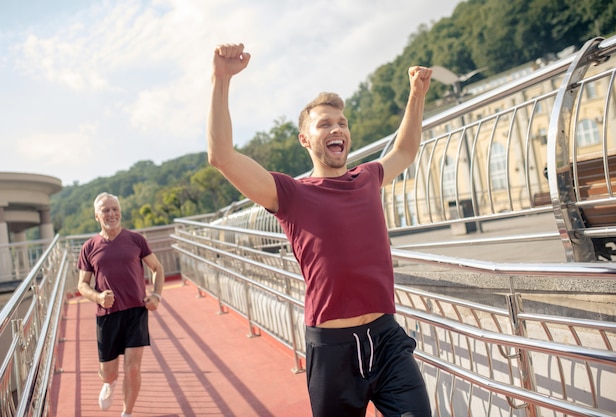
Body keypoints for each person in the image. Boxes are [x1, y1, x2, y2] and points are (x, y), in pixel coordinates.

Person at [208, 43, 433, 417]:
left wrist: (416, 95)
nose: (336, 128)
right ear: (306, 140)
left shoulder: (368, 177)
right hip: (332, 350)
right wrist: (221, 79)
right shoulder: (290, 194)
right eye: (325, 124)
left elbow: (406, 151)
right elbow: (221, 155)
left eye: (342, 123)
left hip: (387, 339)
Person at [77, 192, 164, 417]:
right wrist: (97, 297)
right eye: (105, 210)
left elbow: (157, 268)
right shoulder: (89, 247)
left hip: (136, 312)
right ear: (97, 216)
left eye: (114, 209)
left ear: (120, 212)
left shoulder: (136, 240)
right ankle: (109, 382)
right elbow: (82, 285)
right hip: (107, 315)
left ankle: (127, 413)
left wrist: (156, 295)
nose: (111, 214)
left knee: (133, 369)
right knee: (108, 372)